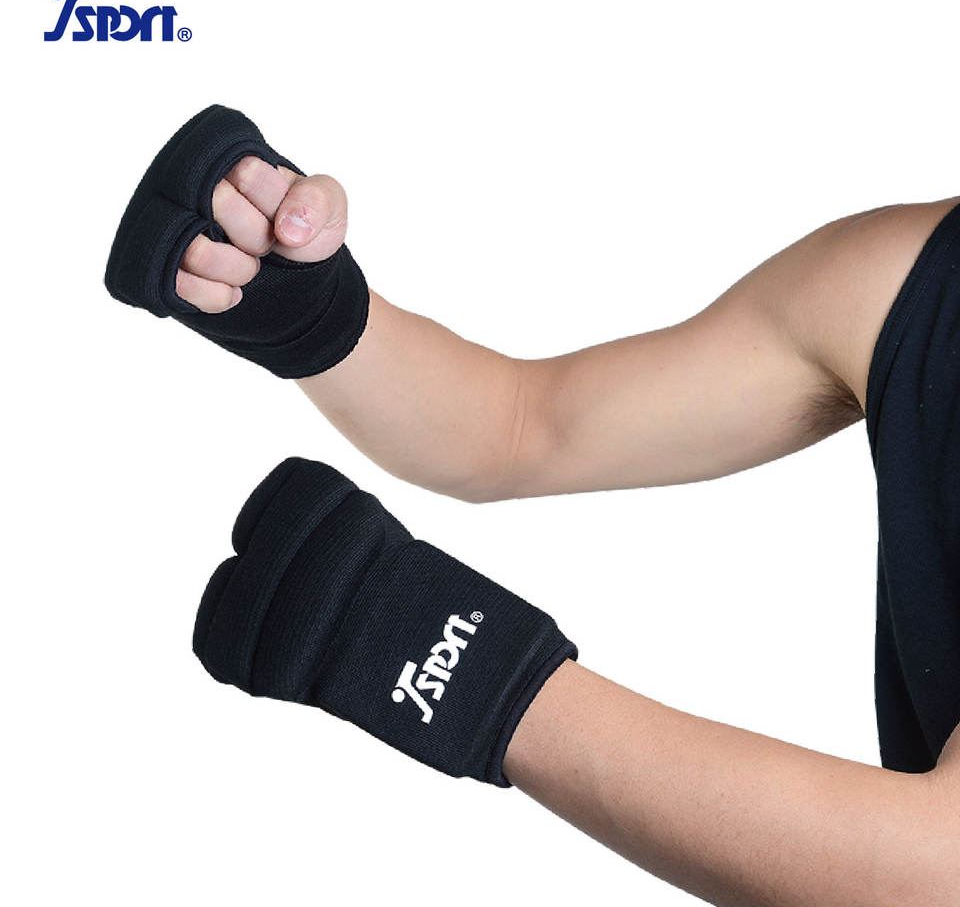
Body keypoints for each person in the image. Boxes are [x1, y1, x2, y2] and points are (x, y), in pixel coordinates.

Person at [164, 154, 960, 904]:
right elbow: (517, 426)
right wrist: (306, 304)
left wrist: (447, 656)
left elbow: (939, 871)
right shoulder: (900, 274)